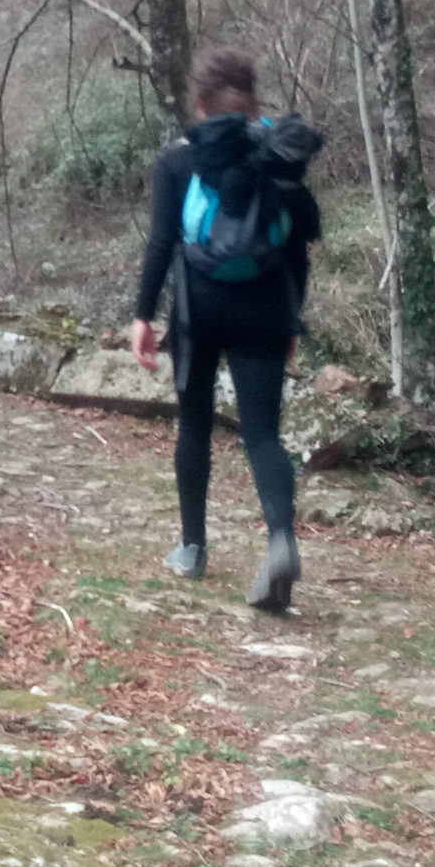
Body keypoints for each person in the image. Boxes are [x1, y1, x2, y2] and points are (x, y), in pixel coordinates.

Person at [127, 47, 323, 610]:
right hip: (264, 308)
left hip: (198, 309)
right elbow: (296, 246)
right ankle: (281, 541)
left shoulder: (176, 163)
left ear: (199, 103)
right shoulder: (277, 155)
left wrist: (143, 316)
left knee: (194, 427)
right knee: (263, 435)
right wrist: (293, 315)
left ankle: (192, 548)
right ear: (253, 100)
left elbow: (163, 243)